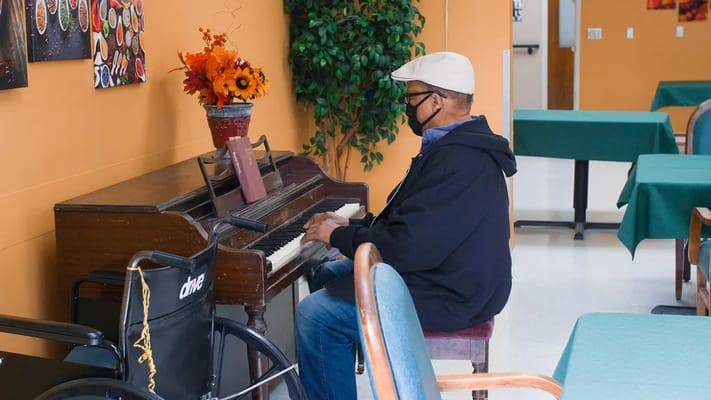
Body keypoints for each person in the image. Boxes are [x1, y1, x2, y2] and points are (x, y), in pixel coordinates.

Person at [295, 51, 516, 399]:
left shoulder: (460, 159)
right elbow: (415, 222)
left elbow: (408, 247)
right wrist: (356, 226)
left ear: (437, 101)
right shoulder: (456, 146)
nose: (406, 107)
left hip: (454, 294)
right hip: (449, 276)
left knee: (316, 314)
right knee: (326, 275)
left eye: (411, 98)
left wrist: (339, 235)